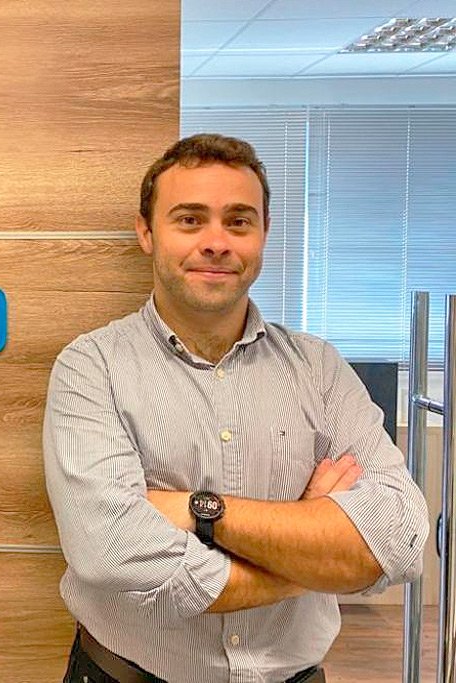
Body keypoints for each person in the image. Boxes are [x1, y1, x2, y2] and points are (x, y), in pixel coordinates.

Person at [42, 133, 429, 683]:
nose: (217, 242)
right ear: (146, 233)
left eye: (239, 221)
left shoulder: (319, 370)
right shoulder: (92, 367)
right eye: (190, 220)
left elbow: (399, 537)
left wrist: (201, 511)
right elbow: (110, 552)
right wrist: (308, 556)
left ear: (263, 233)